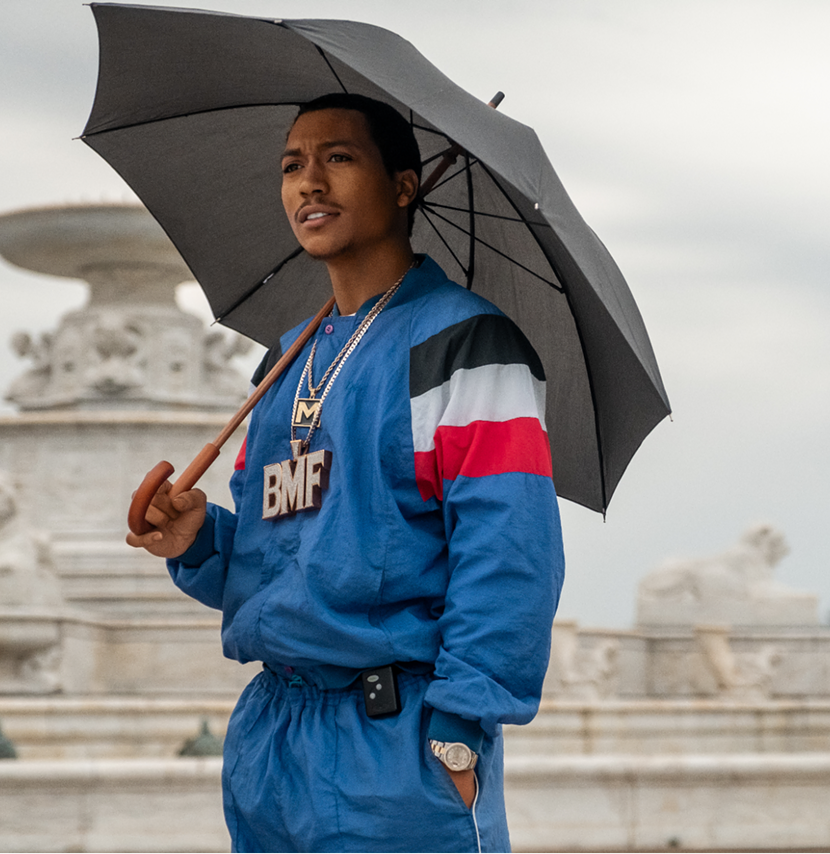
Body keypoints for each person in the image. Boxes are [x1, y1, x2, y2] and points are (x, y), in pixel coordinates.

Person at [127, 92, 565, 853]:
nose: (309, 183)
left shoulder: (466, 346)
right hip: (273, 736)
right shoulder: (284, 358)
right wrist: (199, 540)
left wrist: (458, 731)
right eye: (293, 164)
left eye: (339, 158)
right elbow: (278, 557)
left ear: (405, 185)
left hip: (395, 749)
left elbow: (509, 553)